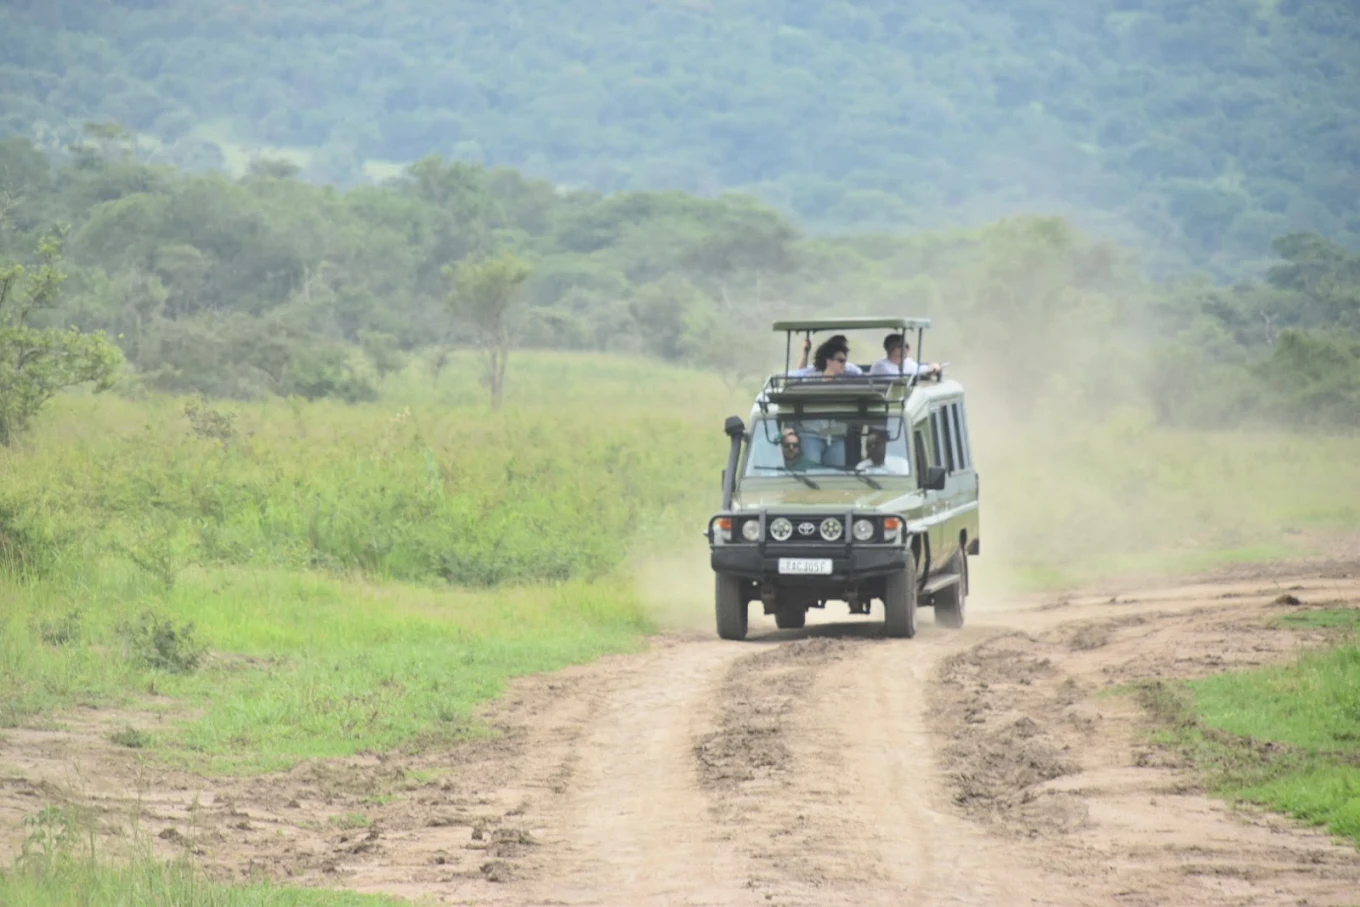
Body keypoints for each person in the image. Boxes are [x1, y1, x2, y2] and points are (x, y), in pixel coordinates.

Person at [869, 333, 940, 379]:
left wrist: (932, 368)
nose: (909, 349)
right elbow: (897, 379)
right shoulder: (880, 367)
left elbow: (918, 369)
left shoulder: (907, 362)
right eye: (906, 346)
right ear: (894, 349)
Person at [790, 334, 864, 377]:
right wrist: (805, 353)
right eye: (840, 361)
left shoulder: (852, 370)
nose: (843, 364)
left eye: (844, 360)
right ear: (828, 361)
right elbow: (799, 373)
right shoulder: (816, 371)